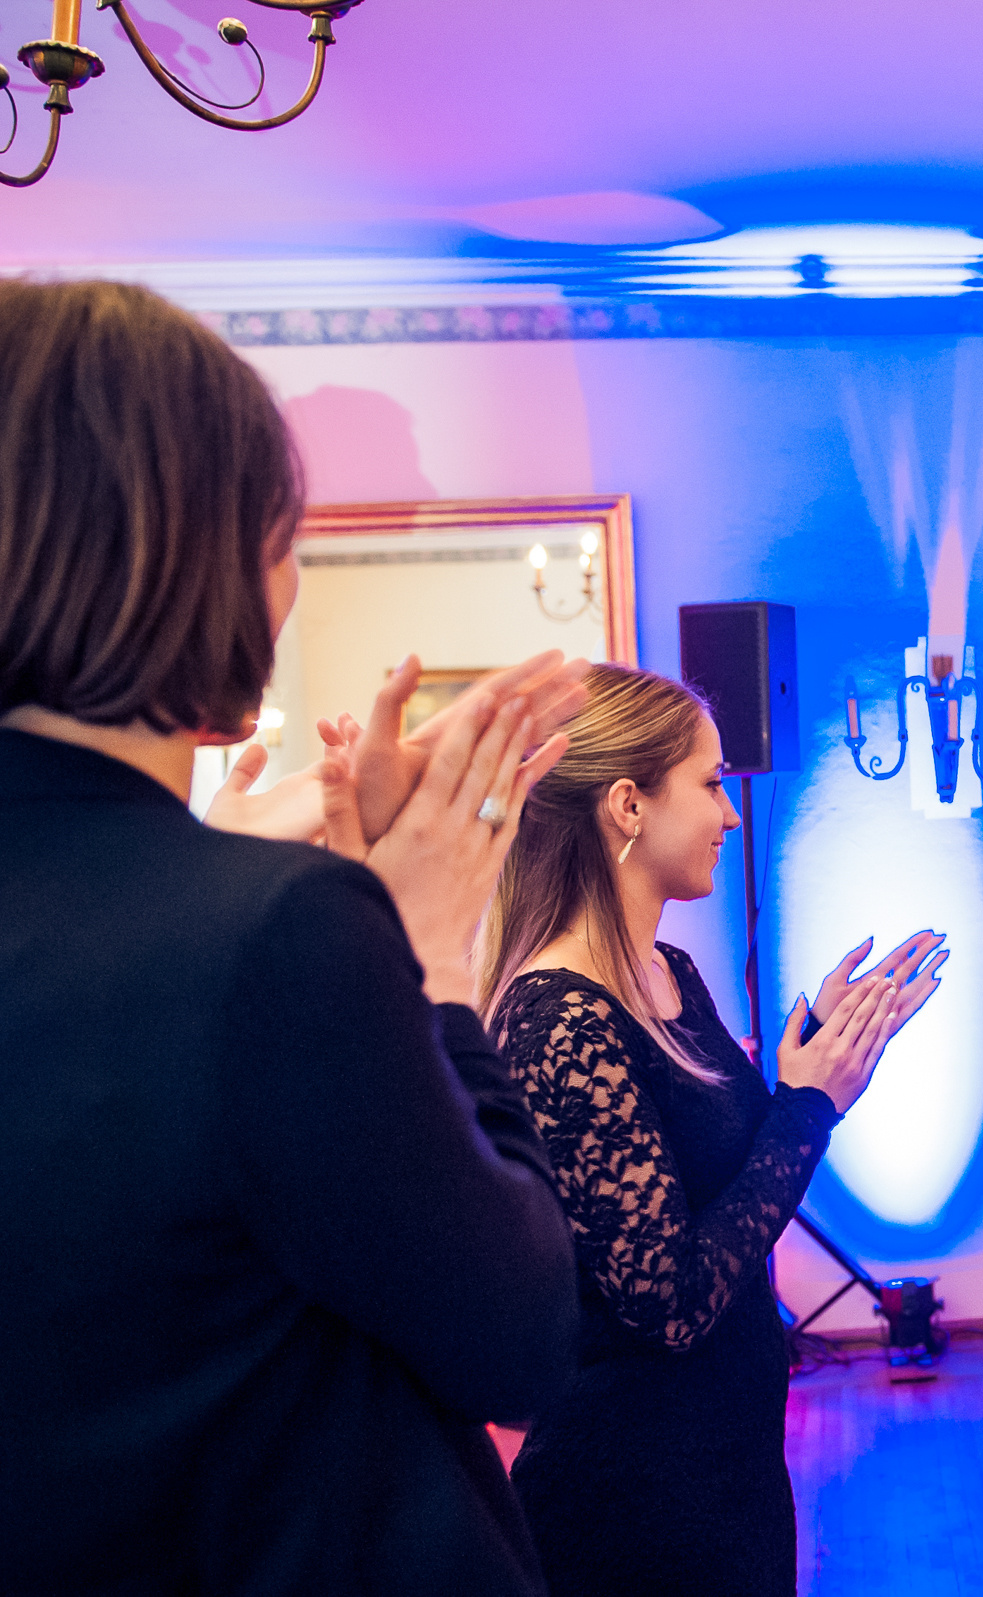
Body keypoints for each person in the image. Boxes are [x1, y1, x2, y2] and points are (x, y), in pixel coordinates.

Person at [1, 278, 582, 1592]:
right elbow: (522, 1338)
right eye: (281, 537)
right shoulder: (277, 936)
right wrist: (430, 946)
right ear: (194, 554)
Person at [483, 664, 944, 1597]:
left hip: (728, 1464)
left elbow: (720, 1177)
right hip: (635, 1498)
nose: (731, 813)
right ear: (628, 805)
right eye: (708, 782)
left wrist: (813, 1064)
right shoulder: (560, 1020)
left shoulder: (669, 972)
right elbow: (671, 1299)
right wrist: (809, 1106)